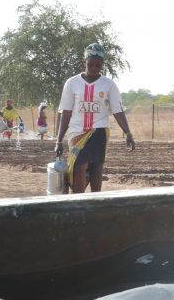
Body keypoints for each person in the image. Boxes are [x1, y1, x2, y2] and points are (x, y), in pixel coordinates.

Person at [54, 43, 136, 193]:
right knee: (79, 167)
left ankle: (95, 202)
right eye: (90, 64)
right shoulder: (72, 83)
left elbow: (118, 111)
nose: (94, 68)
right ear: (84, 62)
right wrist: (59, 140)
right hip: (77, 132)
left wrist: (128, 133)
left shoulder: (109, 85)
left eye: (98, 65)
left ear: (102, 65)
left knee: (96, 169)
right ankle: (79, 202)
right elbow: (65, 112)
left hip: (99, 131)